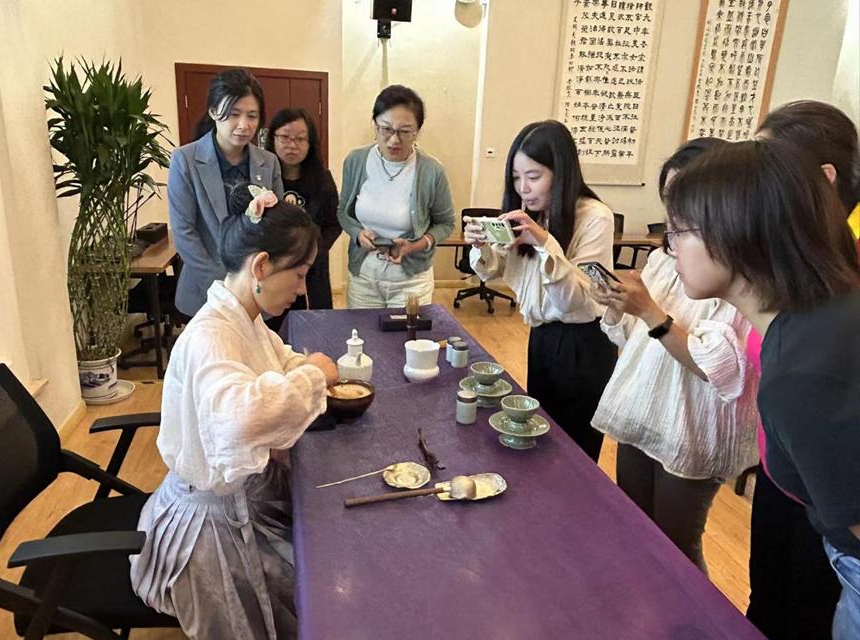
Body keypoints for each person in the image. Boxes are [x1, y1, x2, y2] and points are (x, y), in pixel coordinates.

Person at [664, 140, 860, 640]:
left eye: (679, 230)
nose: (670, 247)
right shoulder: (812, 320)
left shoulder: (803, 369)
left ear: (736, 232)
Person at [130, 182, 338, 640]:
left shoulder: (243, 318)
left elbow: (279, 359)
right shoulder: (211, 335)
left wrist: (305, 368)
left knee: (322, 556)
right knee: (316, 594)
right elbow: (239, 419)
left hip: (240, 501)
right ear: (261, 266)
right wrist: (315, 377)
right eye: (299, 275)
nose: (302, 289)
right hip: (209, 527)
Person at [589, 138, 759, 572]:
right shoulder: (664, 260)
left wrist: (650, 311)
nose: (672, 221)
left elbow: (719, 368)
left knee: (677, 549)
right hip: (644, 410)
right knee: (635, 530)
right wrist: (619, 305)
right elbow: (635, 340)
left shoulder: (738, 272)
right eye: (669, 201)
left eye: (684, 205)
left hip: (693, 427)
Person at [746, 100, 859, 640]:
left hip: (832, 496)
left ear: (824, 179)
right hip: (784, 476)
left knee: (808, 621)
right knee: (767, 606)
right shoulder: (788, 262)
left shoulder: (840, 278)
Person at [464, 120, 616, 461]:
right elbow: (493, 268)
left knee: (576, 450)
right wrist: (482, 245)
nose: (523, 188)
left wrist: (544, 242)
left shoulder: (595, 217)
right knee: (540, 436)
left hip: (583, 343)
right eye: (516, 178)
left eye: (533, 176)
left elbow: (574, 300)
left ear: (561, 173)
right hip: (543, 337)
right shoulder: (536, 213)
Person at [169, 68, 284, 318]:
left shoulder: (269, 162)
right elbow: (184, 233)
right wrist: (226, 289)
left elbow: (274, 229)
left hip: (257, 292)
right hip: (204, 294)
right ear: (213, 111)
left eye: (252, 116)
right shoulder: (185, 160)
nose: (244, 125)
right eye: (233, 114)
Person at [338, 85, 455, 308]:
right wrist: (357, 234)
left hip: (411, 278)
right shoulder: (355, 161)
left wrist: (416, 245)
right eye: (386, 129)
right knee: (363, 330)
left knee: (409, 331)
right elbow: (343, 212)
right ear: (375, 125)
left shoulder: (432, 171)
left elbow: (446, 223)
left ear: (417, 131)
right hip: (364, 274)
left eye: (405, 131)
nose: (394, 140)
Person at [264, 108, 340, 313]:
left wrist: (313, 251)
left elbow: (334, 222)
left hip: (313, 269)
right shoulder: (262, 178)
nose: (292, 145)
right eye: (285, 137)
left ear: (310, 143)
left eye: (300, 139)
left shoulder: (322, 179)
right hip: (274, 268)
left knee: (315, 320)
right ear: (272, 138)